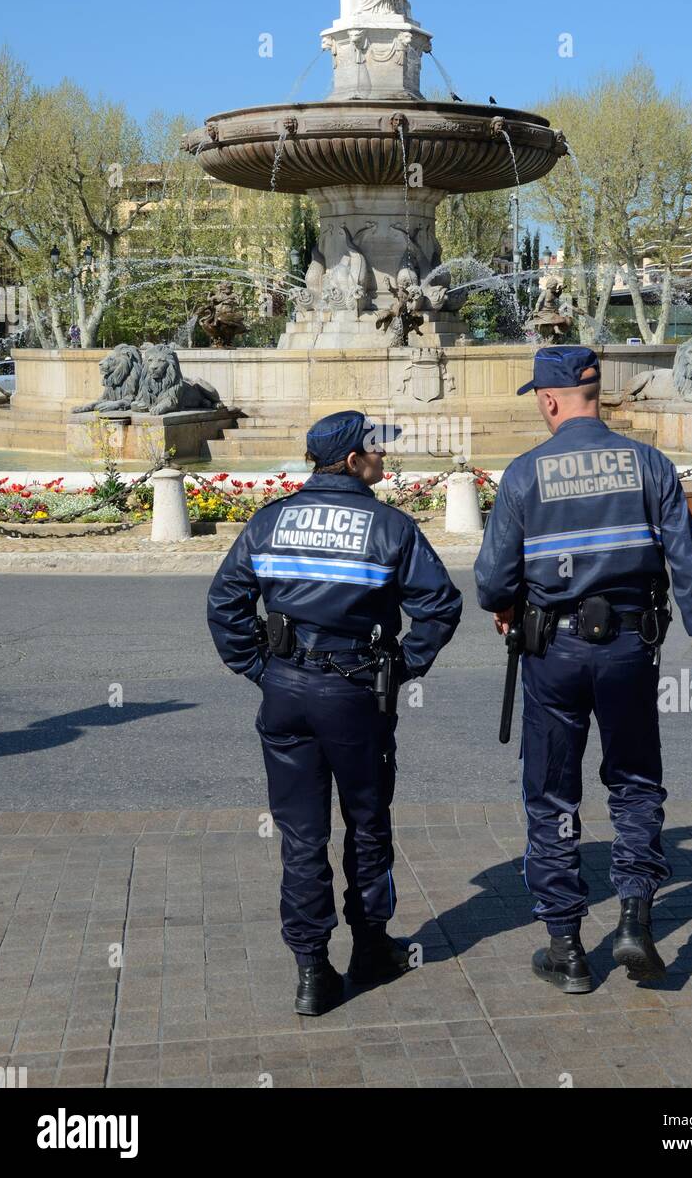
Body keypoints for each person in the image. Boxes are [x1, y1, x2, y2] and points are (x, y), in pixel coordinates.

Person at [474, 345, 692, 993]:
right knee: (635, 783)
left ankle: (566, 948)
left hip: (552, 655)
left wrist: (509, 604)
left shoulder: (524, 475)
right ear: (597, 394)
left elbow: (489, 582)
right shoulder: (649, 466)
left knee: (552, 796)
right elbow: (691, 568)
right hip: (628, 651)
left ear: (549, 399)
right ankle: (634, 922)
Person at [207, 410, 462, 1016]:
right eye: (377, 452)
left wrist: (260, 670)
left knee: (301, 836)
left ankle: (311, 971)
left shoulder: (270, 522)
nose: (385, 460)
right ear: (351, 462)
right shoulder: (389, 526)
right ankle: (370, 948)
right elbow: (440, 606)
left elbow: (225, 604)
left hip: (286, 690)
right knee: (368, 823)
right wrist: (401, 668)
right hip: (356, 693)